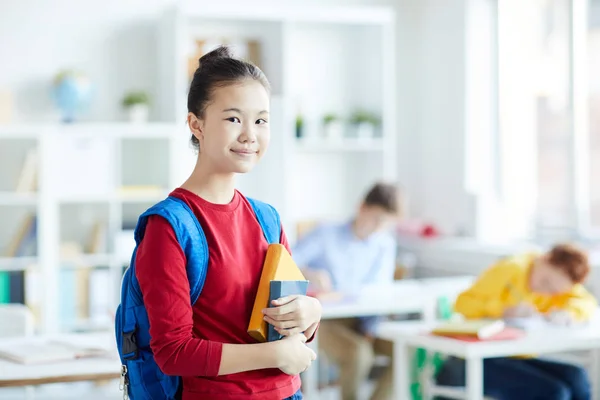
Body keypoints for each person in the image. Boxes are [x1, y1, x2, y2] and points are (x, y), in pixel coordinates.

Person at [134, 46, 322, 400]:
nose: (250, 134)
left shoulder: (267, 218)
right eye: (234, 119)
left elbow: (284, 323)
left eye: (261, 120)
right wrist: (273, 355)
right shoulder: (169, 227)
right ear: (196, 124)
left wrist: (311, 313)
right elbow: (173, 352)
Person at [435, 243, 598, 400]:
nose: (545, 291)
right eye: (545, 282)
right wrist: (503, 310)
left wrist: (569, 313)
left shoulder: (561, 281)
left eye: (554, 291)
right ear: (544, 259)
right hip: (477, 360)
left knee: (577, 377)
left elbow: (586, 302)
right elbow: (462, 304)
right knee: (554, 393)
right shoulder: (510, 268)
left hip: (516, 357)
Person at [292, 182, 402, 400]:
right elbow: (286, 261)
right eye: (377, 219)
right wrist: (310, 273)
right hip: (324, 321)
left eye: (386, 223)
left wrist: (370, 328)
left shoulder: (384, 244)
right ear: (362, 207)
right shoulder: (326, 233)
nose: (378, 228)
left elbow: (379, 290)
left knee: (407, 353)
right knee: (359, 355)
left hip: (366, 321)